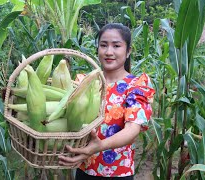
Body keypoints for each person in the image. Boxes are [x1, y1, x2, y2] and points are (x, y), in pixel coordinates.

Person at [58, 23, 155, 179]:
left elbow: (132, 129)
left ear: (128, 51)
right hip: (84, 170)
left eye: (116, 46)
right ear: (98, 49)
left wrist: (100, 146)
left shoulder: (136, 86)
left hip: (118, 173)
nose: (109, 52)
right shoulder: (84, 82)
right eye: (103, 45)